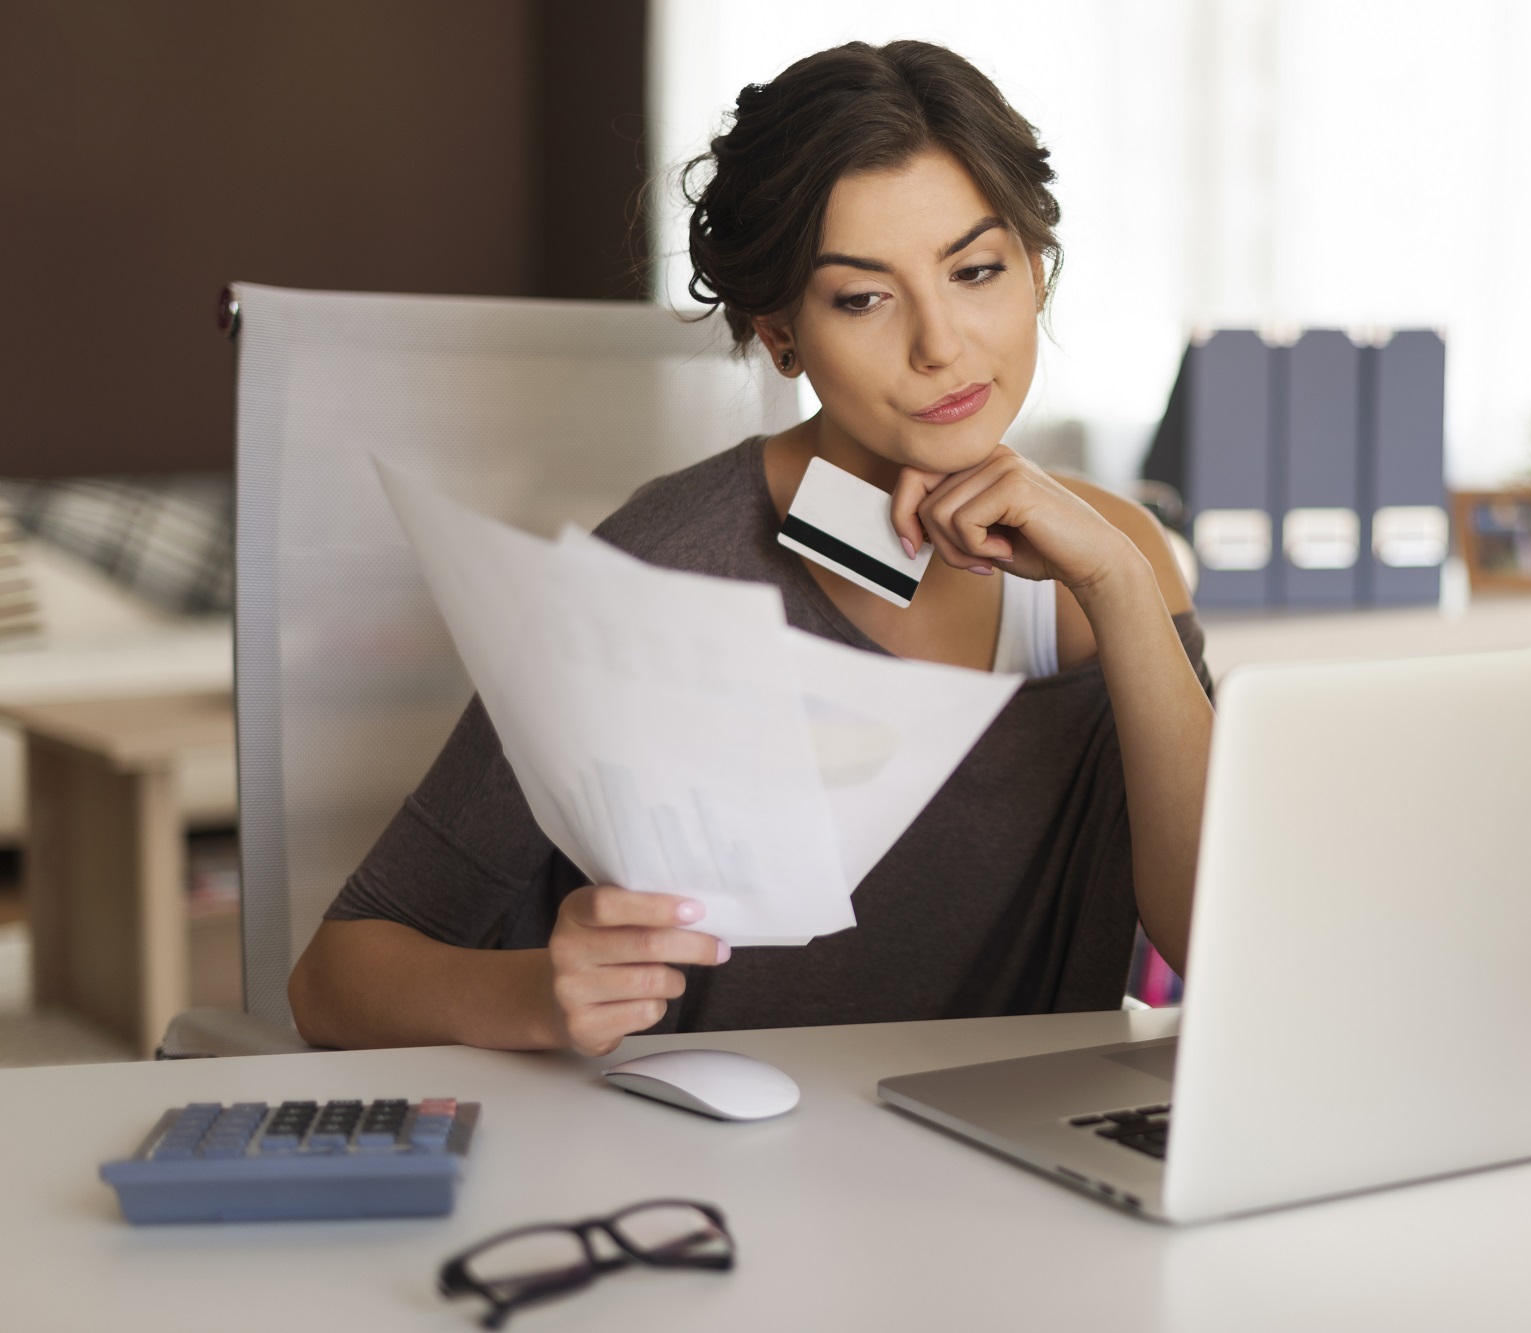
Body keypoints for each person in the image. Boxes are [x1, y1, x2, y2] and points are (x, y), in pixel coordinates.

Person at [287, 40, 1213, 1056]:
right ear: (778, 335)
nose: (940, 343)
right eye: (861, 298)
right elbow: (335, 978)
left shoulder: (1110, 557)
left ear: (1034, 272)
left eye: (977, 270)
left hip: (1018, 1171)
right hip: (710, 1178)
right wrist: (538, 997)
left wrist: (1120, 583)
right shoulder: (664, 564)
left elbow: (1209, 938)